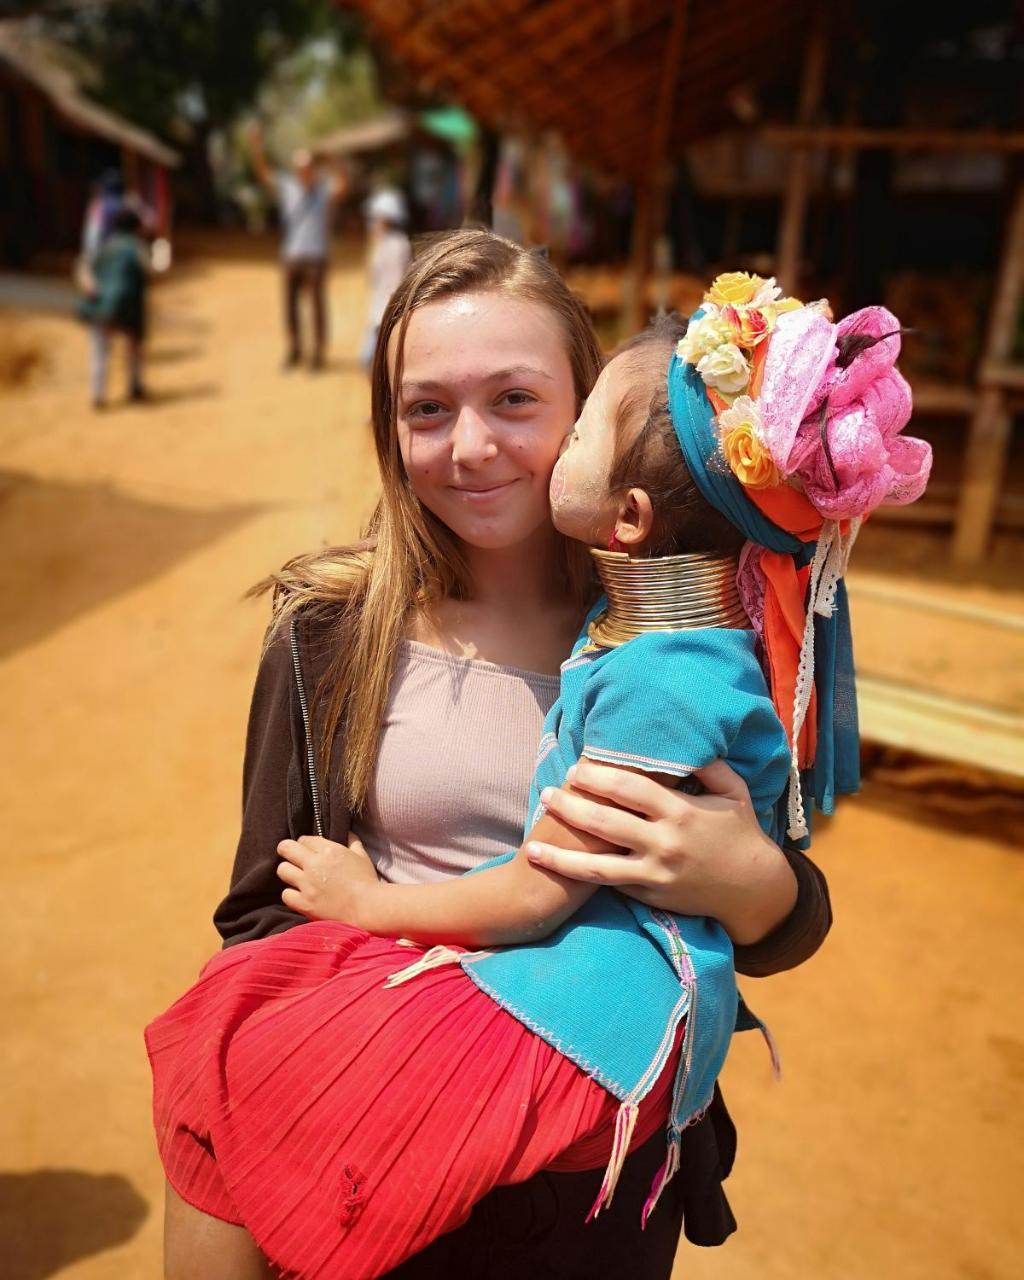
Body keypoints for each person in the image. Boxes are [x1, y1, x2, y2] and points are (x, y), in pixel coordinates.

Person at [147, 234, 838, 1280]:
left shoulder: (679, 644)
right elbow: (262, 912)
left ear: (591, 410)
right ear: (390, 431)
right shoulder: (327, 630)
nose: (469, 445)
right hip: (367, 1142)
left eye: (514, 399)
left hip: (585, 1187)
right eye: (426, 408)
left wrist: (750, 880)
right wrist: (409, 1037)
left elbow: (788, 918)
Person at [247, 124, 347, 372]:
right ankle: (295, 350)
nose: (303, 172)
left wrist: (333, 160)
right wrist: (256, 147)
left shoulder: (324, 190)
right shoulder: (288, 187)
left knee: (316, 307)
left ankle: (318, 354)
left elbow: (344, 184)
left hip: (316, 257)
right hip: (291, 256)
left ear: (313, 169)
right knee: (290, 307)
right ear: (296, 170)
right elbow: (263, 174)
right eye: (300, 169)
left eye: (307, 168)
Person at [75, 206, 150, 408]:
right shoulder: (137, 247)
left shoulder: (103, 247)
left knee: (99, 349)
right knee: (134, 345)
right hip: (127, 307)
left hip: (100, 306)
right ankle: (134, 386)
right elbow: (148, 270)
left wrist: (90, 286)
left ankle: (97, 394)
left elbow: (83, 270)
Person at [360, 188, 412, 371]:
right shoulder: (384, 243)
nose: (371, 223)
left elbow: (395, 282)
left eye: (375, 218)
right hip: (379, 311)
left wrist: (386, 315)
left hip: (385, 312)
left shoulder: (395, 245)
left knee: (370, 362)